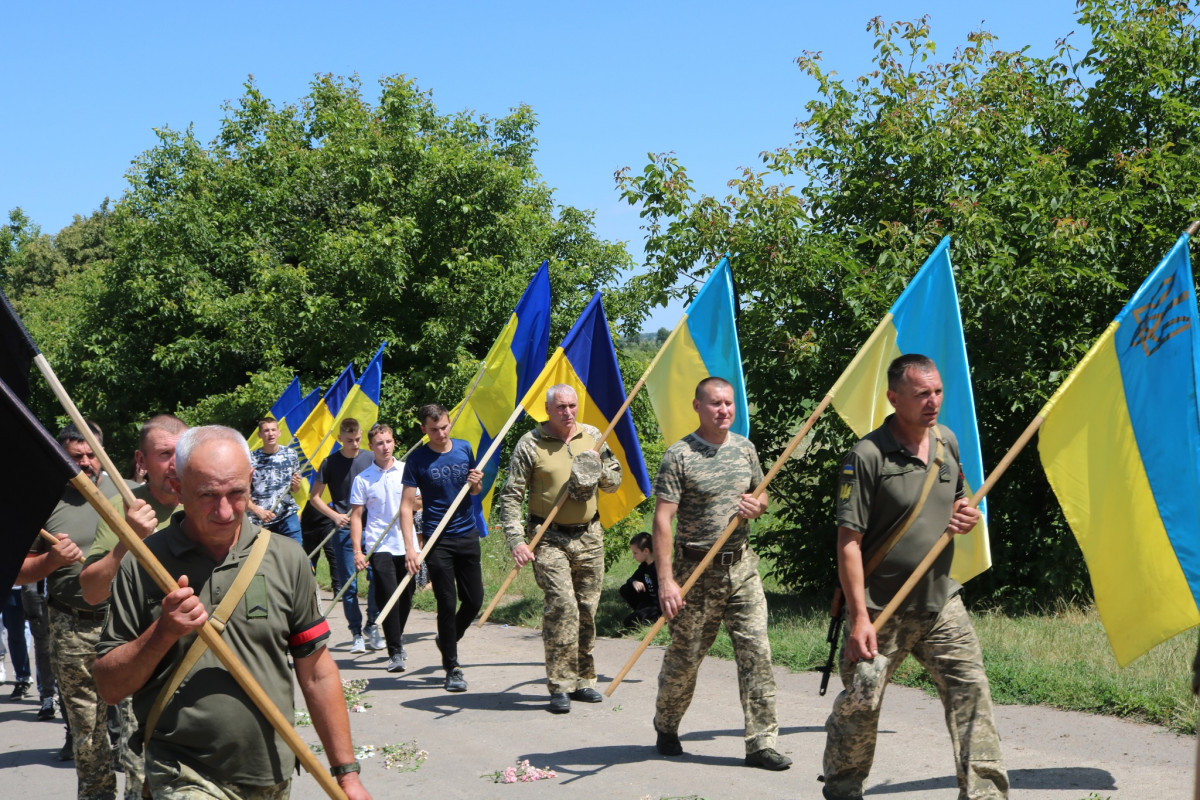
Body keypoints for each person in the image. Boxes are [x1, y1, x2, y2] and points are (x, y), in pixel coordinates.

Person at [93, 426, 371, 800]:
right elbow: (110, 686)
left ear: (251, 481)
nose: (225, 511)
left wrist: (347, 775)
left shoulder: (287, 560)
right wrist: (163, 631)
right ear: (177, 486)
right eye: (207, 495)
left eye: (236, 493)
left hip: (269, 770)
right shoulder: (143, 564)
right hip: (180, 771)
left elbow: (317, 672)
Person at [821, 354, 1008, 800]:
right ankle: (843, 787)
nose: (933, 401)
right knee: (863, 702)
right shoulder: (866, 456)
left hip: (940, 601)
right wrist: (860, 618)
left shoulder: (946, 442)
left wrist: (966, 516)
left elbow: (959, 501)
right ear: (893, 397)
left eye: (938, 391)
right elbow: (848, 542)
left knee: (971, 693)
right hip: (880, 607)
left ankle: (984, 793)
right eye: (922, 393)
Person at [651, 377, 791, 771]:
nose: (724, 410)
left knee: (757, 654)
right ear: (698, 406)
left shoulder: (745, 448)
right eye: (715, 404)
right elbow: (663, 520)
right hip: (695, 572)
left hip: (742, 568)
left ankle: (761, 743)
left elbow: (761, 493)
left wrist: (757, 506)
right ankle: (667, 724)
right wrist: (666, 581)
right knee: (686, 658)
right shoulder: (679, 455)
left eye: (729, 403)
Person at [79, 414, 187, 800]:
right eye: (163, 454)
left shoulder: (209, 499)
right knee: (144, 777)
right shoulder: (122, 506)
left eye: (181, 452)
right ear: (142, 461)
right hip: (143, 655)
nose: (175, 463)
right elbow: (91, 589)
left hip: (201, 660)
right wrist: (127, 539)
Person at [496, 384, 621, 713]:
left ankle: (584, 680)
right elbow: (510, 496)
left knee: (586, 609)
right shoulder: (531, 443)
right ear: (548, 410)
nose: (568, 412)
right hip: (548, 536)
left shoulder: (593, 436)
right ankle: (560, 684)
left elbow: (615, 482)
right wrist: (517, 540)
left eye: (572, 406)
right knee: (563, 606)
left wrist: (598, 467)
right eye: (561, 407)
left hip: (590, 536)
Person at [21, 421, 119, 798]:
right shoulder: (43, 501)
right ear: (60, 456)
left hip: (124, 624)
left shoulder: (125, 494)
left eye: (92, 454)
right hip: (71, 626)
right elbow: (18, 572)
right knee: (88, 732)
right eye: (76, 456)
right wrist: (50, 560)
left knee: (136, 726)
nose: (86, 462)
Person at [400, 403, 483, 693]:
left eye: (444, 426)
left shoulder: (464, 448)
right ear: (424, 429)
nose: (440, 433)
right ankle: (453, 667)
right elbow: (406, 506)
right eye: (434, 429)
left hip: (466, 533)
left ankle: (446, 638)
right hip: (438, 541)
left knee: (474, 601)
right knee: (447, 603)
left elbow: (474, 491)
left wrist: (475, 485)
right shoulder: (418, 460)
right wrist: (411, 548)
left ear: (450, 423)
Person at [308, 418, 382, 653]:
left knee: (376, 579)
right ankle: (356, 633)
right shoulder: (330, 462)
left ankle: (373, 624)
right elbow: (315, 497)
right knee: (348, 586)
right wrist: (334, 515)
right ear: (340, 439)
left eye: (358, 439)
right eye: (349, 440)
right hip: (343, 529)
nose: (355, 443)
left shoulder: (371, 459)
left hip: (371, 529)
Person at [350, 423, 416, 673]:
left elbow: (418, 505)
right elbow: (356, 517)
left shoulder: (407, 471)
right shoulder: (363, 479)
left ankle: (395, 636)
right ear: (371, 447)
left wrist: (416, 502)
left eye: (388, 441)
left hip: (407, 543)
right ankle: (395, 651)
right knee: (389, 596)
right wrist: (358, 550)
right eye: (379, 443)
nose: (385, 447)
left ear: (394, 443)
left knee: (407, 595)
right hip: (379, 544)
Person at [247, 418, 303, 545]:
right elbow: (242, 494)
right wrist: (258, 511)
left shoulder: (291, 454)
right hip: (261, 519)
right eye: (266, 431)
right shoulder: (251, 459)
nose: (270, 434)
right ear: (260, 435)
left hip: (287, 514)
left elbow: (296, 489)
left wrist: (296, 484)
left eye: (273, 430)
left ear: (279, 432)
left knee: (296, 554)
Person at [619, 532, 661, 629]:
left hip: (658, 606)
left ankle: (653, 618)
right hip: (648, 602)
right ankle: (641, 611)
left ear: (646, 551)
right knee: (625, 589)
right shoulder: (644, 566)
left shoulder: (658, 568)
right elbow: (630, 579)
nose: (634, 556)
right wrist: (634, 581)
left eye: (635, 553)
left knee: (628, 622)